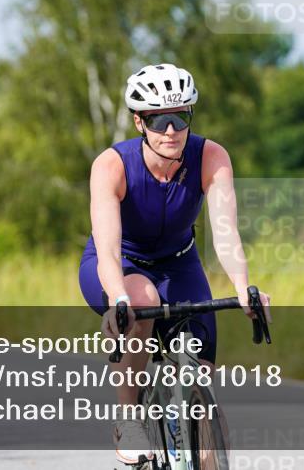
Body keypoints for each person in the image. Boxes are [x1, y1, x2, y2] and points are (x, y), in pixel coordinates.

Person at [78, 63, 271, 466]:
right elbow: (108, 249)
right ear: (139, 122)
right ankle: (129, 419)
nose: (171, 130)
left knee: (202, 381)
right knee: (141, 298)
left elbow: (226, 232)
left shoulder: (211, 156)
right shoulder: (112, 165)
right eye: (158, 119)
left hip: (180, 265)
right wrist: (117, 299)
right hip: (119, 264)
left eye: (180, 117)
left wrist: (243, 289)